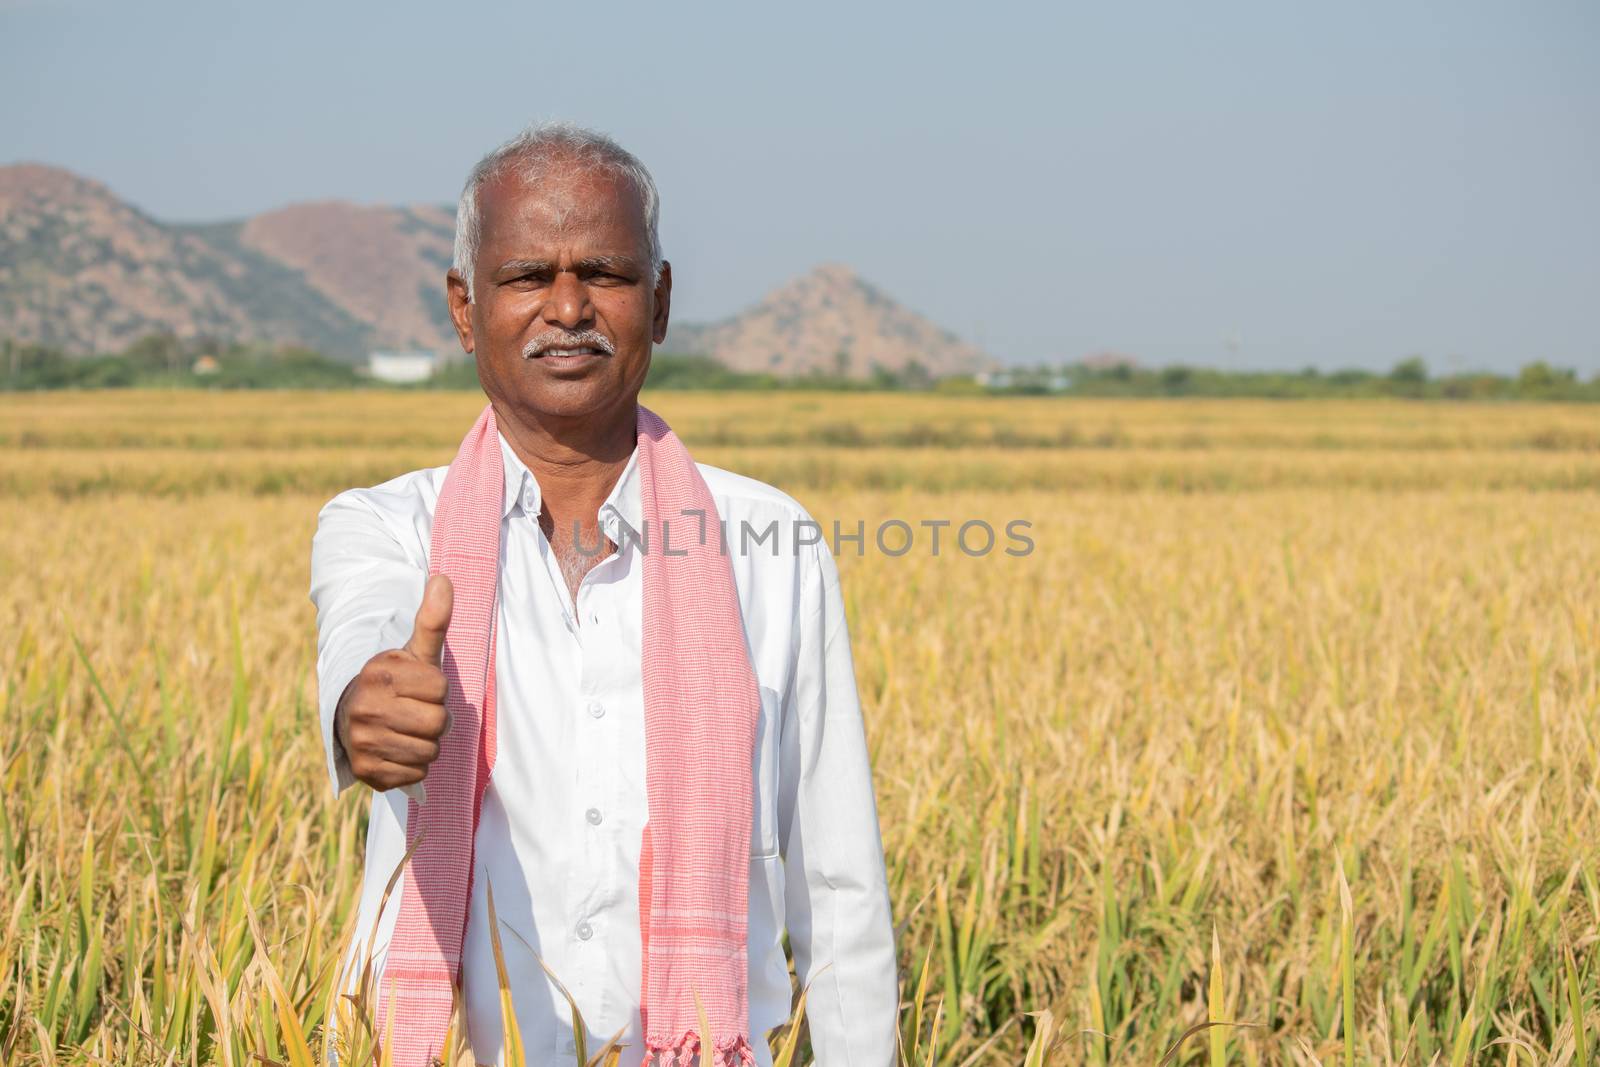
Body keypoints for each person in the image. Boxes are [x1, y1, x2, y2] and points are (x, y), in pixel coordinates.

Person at [308, 121, 897, 1067]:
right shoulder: (387, 528)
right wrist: (365, 712)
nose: (569, 306)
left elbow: (838, 883)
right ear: (465, 309)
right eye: (527, 276)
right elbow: (366, 641)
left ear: (658, 303)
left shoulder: (771, 543)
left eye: (608, 274)